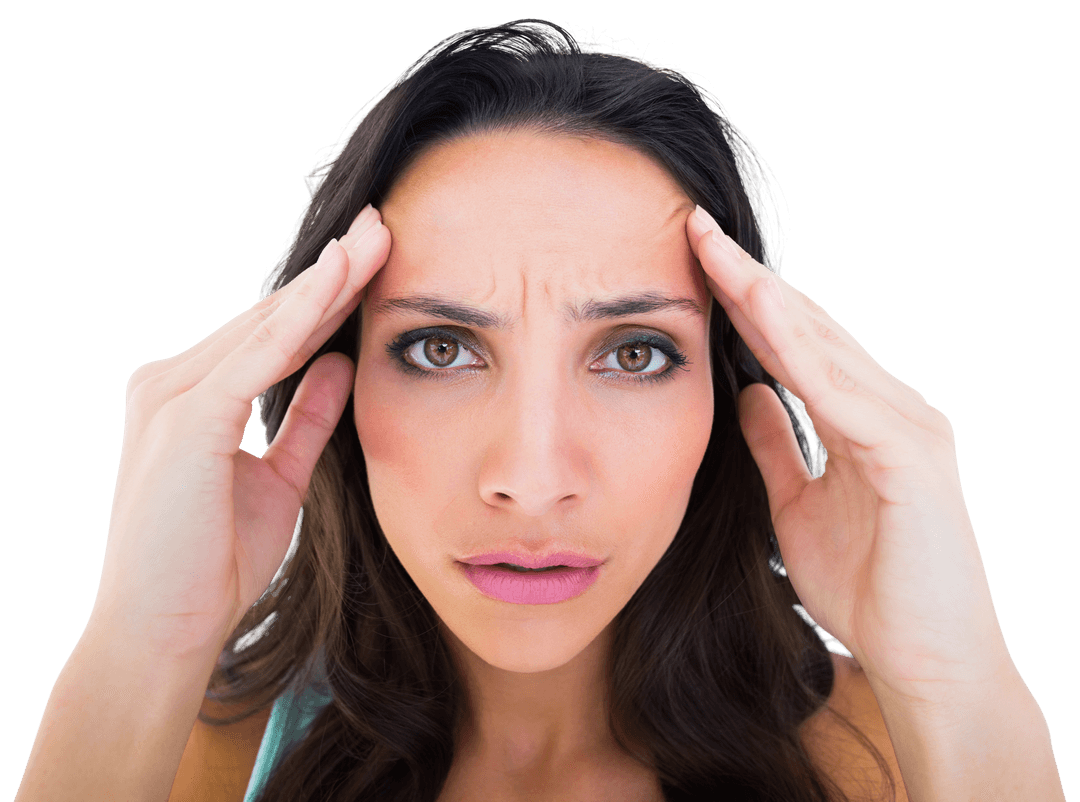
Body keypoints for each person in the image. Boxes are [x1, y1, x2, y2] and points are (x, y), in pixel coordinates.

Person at [16, 18, 1065, 802]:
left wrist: (953, 680)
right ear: (331, 380)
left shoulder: (904, 757)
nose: (531, 477)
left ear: (730, 393)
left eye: (635, 353)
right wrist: (140, 650)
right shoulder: (182, 757)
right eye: (439, 348)